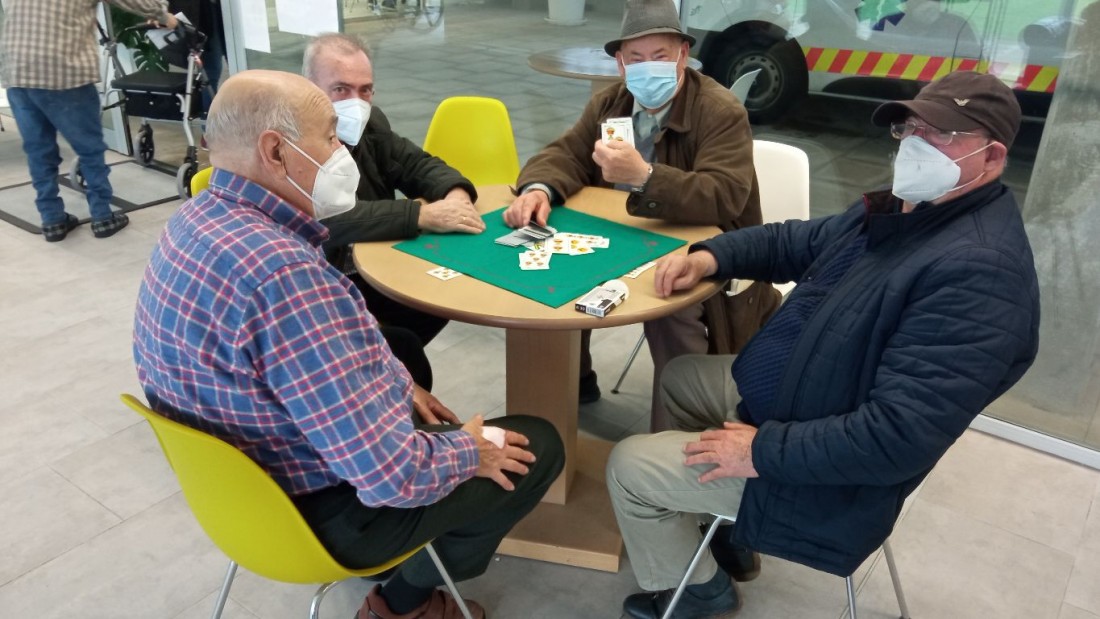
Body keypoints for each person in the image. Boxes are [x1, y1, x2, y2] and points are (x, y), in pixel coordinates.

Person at [605, 70, 1041, 618]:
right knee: (681, 378)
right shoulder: (906, 212)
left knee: (628, 467)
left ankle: (698, 592)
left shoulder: (979, 275)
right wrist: (712, 255)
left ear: (992, 157)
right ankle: (728, 534)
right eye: (911, 127)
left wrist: (760, 453)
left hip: (831, 478)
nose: (916, 144)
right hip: (803, 400)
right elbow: (799, 240)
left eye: (942, 134)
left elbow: (896, 438)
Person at [132, 70, 565, 619]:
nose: (343, 153)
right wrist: (470, 450)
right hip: (321, 509)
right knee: (537, 445)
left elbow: (301, 354)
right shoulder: (284, 275)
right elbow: (392, 476)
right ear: (276, 151)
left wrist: (397, 381)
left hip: (240, 491)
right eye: (331, 137)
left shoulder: (195, 218)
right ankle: (401, 603)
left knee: (400, 346)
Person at [503, 0, 779, 421]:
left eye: (660, 56)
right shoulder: (611, 103)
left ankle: (678, 425)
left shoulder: (719, 110)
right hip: (619, 235)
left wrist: (646, 176)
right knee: (556, 275)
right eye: (636, 58)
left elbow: (725, 195)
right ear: (620, 63)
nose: (647, 68)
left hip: (697, 246)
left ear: (682, 56)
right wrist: (539, 188)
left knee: (671, 303)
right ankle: (570, 385)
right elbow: (566, 153)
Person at [303, 32, 485, 346]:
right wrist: (421, 215)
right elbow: (326, 216)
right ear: (309, 89)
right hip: (320, 283)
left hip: (375, 267)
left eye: (365, 90)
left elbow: (417, 164)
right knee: (402, 343)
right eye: (341, 89)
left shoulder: (371, 124)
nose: (356, 102)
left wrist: (455, 193)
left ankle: (382, 363)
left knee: (436, 303)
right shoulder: (291, 146)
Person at [0, 0, 177, 242]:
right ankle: (102, 216)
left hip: (17, 73)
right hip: (63, 71)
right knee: (89, 149)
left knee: (38, 151)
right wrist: (164, 16)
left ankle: (52, 220)